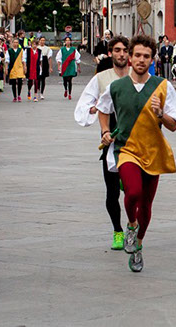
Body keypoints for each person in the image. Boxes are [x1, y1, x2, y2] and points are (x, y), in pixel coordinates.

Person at [97, 35, 176, 272]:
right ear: (130, 58)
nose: (141, 60)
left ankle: (138, 245)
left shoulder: (163, 86)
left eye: (146, 56)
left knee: (146, 204)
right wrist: (105, 130)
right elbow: (103, 109)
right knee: (132, 191)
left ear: (152, 59)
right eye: (137, 55)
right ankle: (131, 225)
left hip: (153, 151)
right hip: (126, 149)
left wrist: (160, 114)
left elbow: (174, 125)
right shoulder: (116, 87)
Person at [75, 36, 130, 250]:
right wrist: (94, 108)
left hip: (135, 137)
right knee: (112, 191)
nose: (121, 54)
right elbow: (85, 105)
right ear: (110, 53)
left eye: (125, 50)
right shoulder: (101, 78)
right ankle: (117, 230)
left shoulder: (138, 76)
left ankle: (133, 226)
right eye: (117, 50)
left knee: (135, 191)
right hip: (110, 136)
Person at [5, 37, 25, 102]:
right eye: (14, 42)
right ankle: (14, 96)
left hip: (19, 67)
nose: (15, 44)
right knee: (13, 82)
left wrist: (25, 67)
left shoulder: (21, 50)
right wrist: (6, 68)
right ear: (12, 43)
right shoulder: (9, 51)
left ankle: (19, 95)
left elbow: (23, 59)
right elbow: (7, 60)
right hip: (12, 67)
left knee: (19, 81)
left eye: (17, 42)